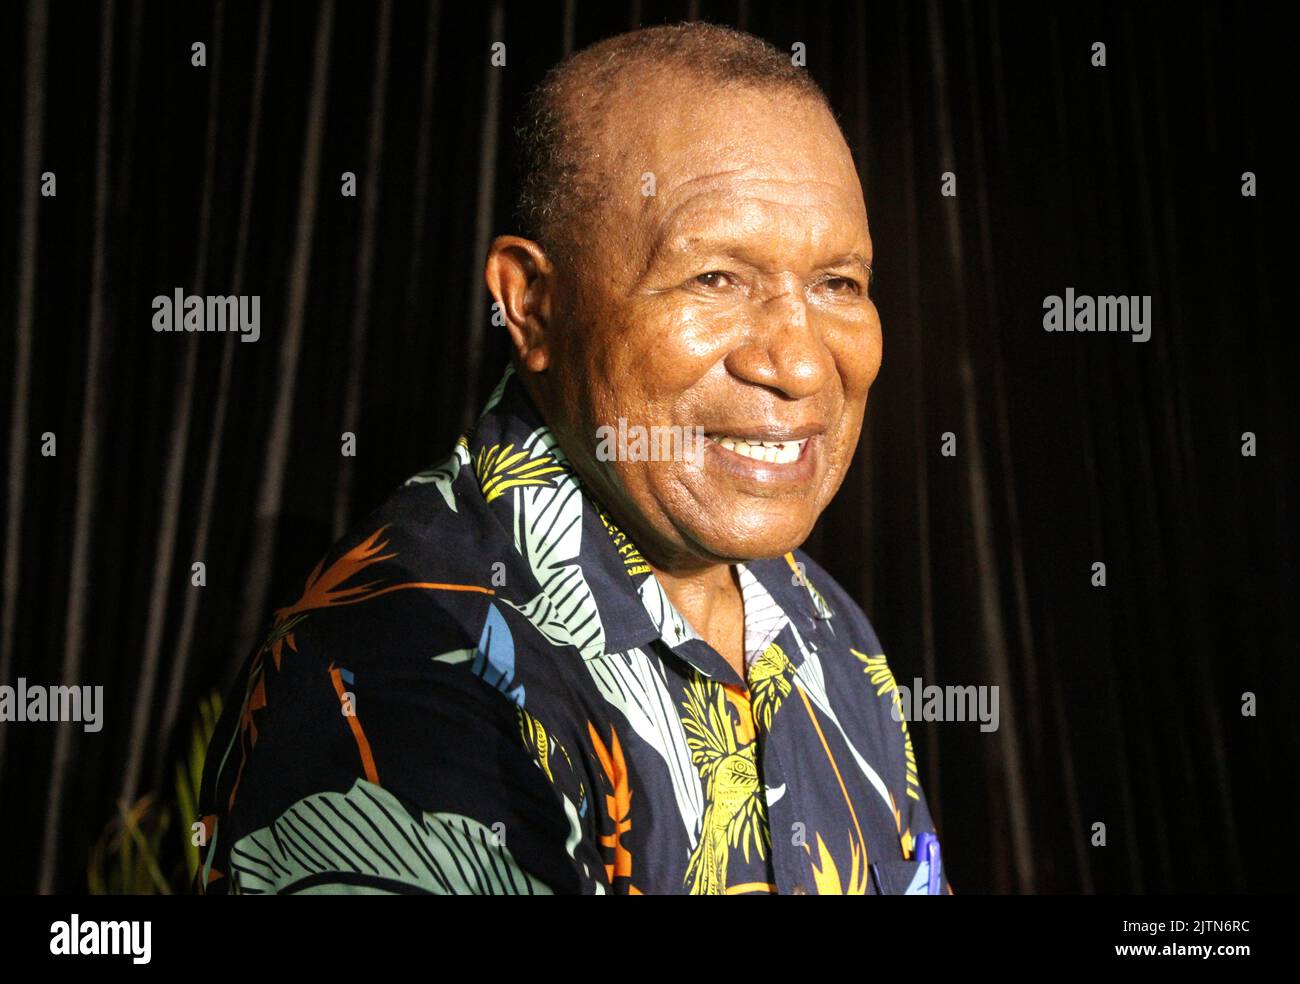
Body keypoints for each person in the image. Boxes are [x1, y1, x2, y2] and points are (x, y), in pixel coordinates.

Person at [195, 21, 951, 895]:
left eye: (838, 285)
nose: (804, 362)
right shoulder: (403, 664)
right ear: (532, 304)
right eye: (716, 278)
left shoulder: (819, 617)